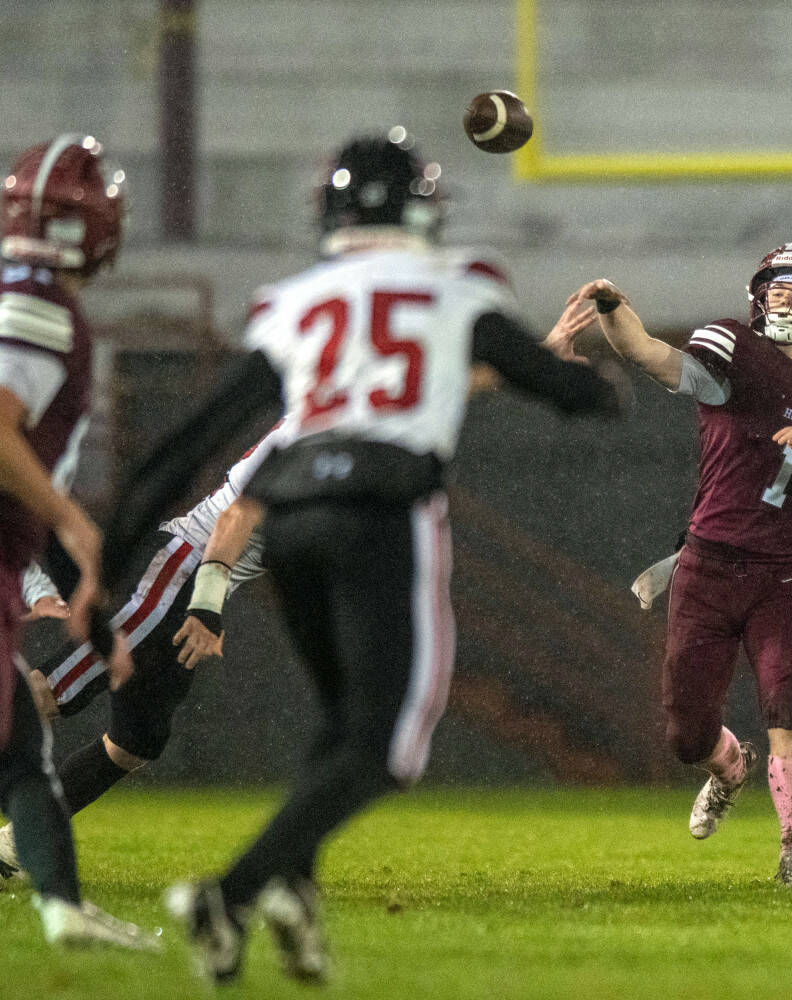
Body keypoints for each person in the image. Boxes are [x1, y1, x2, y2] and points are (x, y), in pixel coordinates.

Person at [94, 129, 621, 983]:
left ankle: (291, 900)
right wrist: (598, 390)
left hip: (290, 516)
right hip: (384, 508)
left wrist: (107, 556)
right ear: (423, 209)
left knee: (344, 729)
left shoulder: (294, 302)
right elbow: (567, 389)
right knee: (389, 747)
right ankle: (231, 892)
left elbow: (188, 440)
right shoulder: (457, 287)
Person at [561, 242, 792, 887]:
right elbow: (648, 353)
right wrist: (616, 307)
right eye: (776, 288)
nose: (785, 297)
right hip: (707, 566)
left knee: (789, 705)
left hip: (782, 574)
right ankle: (730, 768)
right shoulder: (735, 357)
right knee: (686, 734)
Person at [0, 134, 157, 949]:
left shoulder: (19, 289)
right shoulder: (32, 301)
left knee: (22, 745)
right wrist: (68, 519)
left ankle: (62, 907)